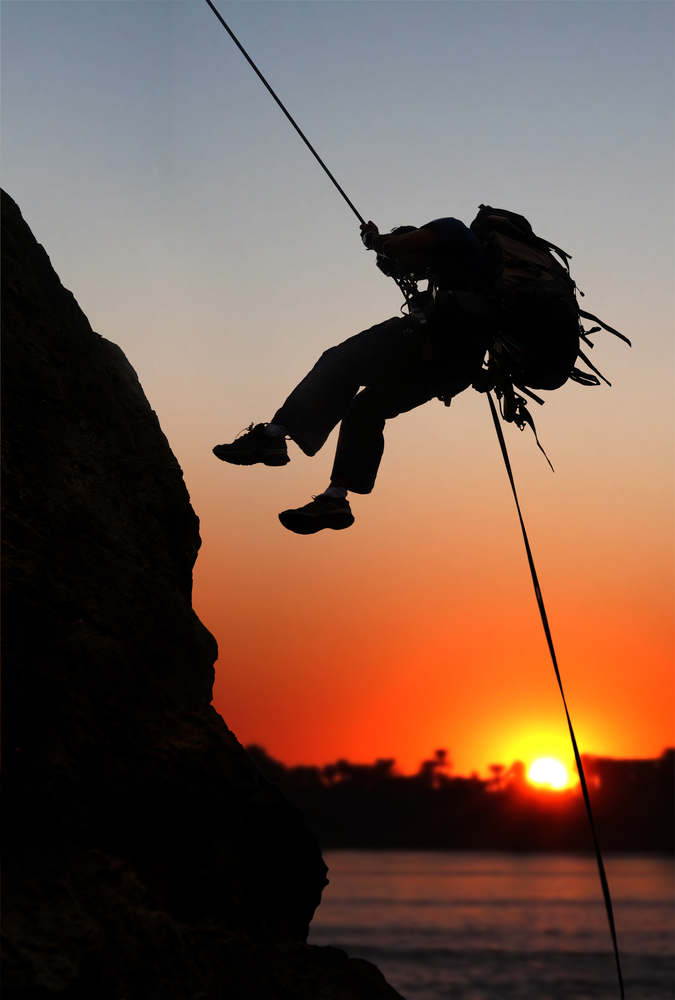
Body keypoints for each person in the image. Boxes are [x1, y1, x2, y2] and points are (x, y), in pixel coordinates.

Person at [213, 216, 490, 533]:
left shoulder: (450, 229)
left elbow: (394, 245)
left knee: (339, 361)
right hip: (456, 367)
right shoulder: (462, 273)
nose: (403, 266)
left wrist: (376, 240)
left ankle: (274, 435)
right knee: (365, 410)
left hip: (435, 339)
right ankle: (335, 498)